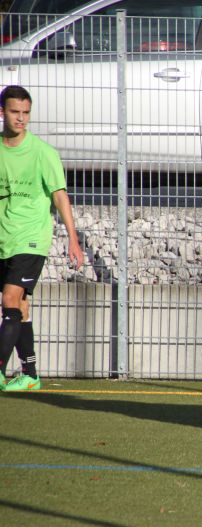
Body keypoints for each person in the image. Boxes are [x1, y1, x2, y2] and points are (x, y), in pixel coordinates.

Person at [0, 85, 83, 392]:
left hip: (32, 238)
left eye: (26, 113)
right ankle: (31, 375)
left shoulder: (43, 152)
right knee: (20, 306)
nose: (21, 118)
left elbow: (60, 196)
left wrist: (73, 239)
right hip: (5, 237)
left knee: (9, 299)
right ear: (2, 112)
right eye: (15, 112)